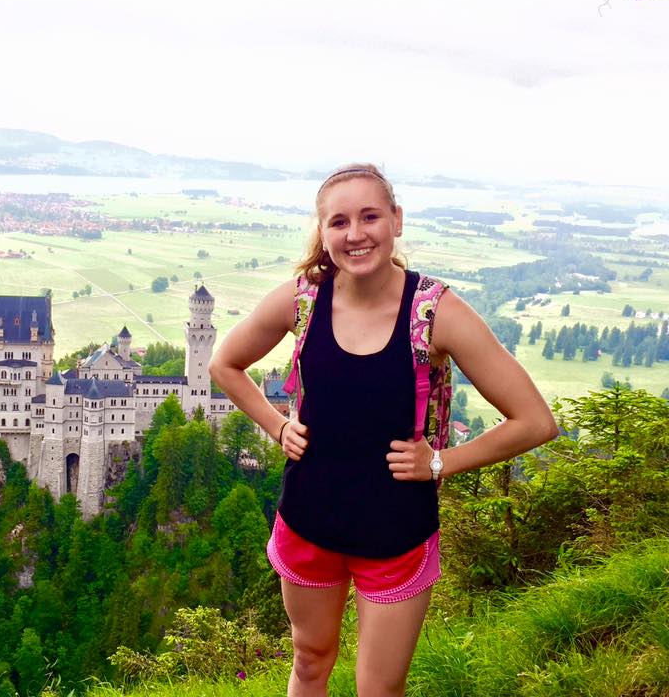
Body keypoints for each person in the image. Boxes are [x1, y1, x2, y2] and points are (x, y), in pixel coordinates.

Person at [208, 164, 558, 697]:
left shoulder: (434, 312)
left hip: (396, 533)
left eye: (370, 216)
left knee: (379, 689)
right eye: (339, 221)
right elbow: (224, 364)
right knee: (309, 662)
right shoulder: (303, 301)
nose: (355, 234)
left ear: (396, 220)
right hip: (308, 522)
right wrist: (278, 426)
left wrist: (440, 461)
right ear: (323, 234)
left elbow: (535, 421)